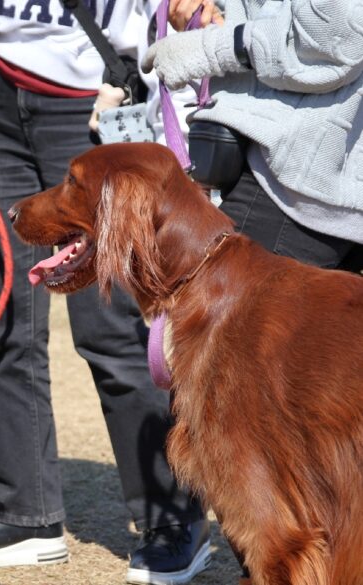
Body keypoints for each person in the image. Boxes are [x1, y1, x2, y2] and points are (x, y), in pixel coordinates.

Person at [0, 1, 214, 584]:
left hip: (98, 107)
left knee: (111, 330)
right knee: (1, 322)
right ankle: (22, 513)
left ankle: (172, 515)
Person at [144, 0, 363, 579]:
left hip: (308, 179)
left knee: (239, 439)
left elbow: (340, 33)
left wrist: (212, 48)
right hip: (308, 171)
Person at [144, 0, 362, 273]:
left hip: (298, 187)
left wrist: (210, 47)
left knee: (214, 304)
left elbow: (337, 37)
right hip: (299, 177)